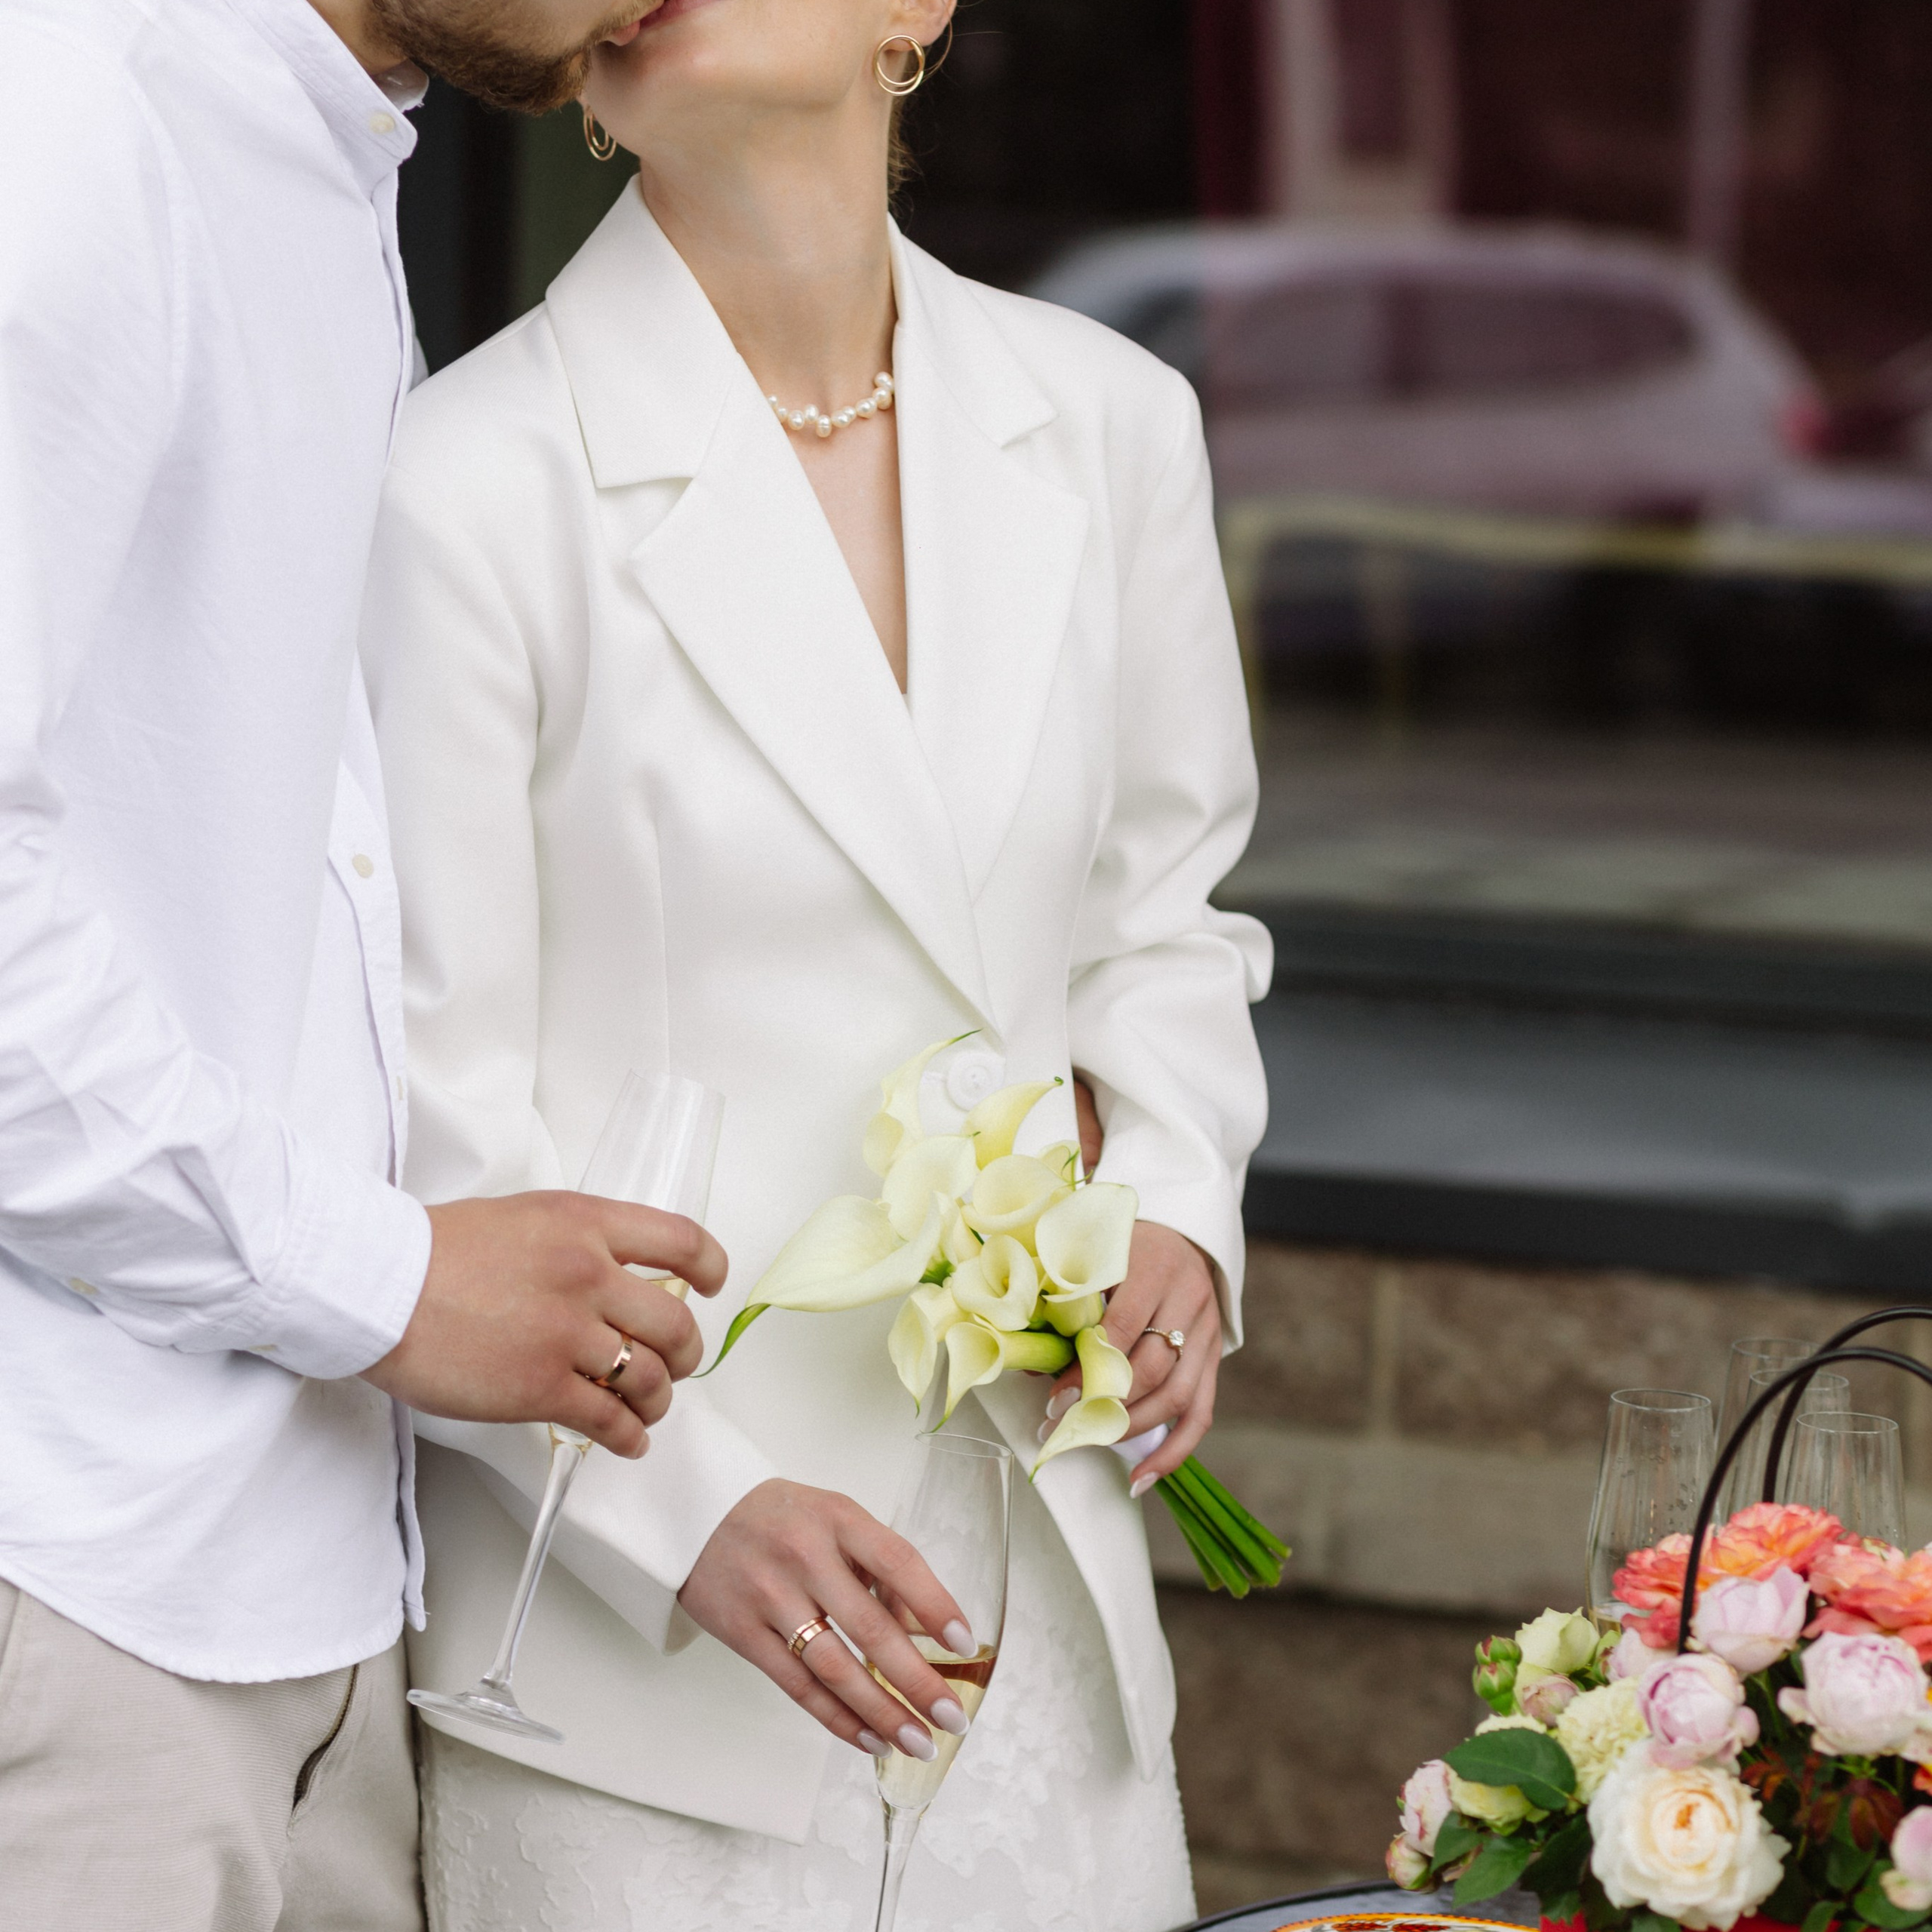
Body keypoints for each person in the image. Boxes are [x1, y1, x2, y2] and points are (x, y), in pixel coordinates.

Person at [361, 0, 1273, 1923]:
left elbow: (1163, 917)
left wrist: (1179, 1202)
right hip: (636, 1670)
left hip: (1035, 1622)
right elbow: (429, 1129)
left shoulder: (1111, 421)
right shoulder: (464, 479)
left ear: (911, 15)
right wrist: (686, 1514)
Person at [0, 1, 731, 1925]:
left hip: (315, 1598)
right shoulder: (71, 115)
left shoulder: (325, 156)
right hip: (73, 1598)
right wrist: (387, 1277)